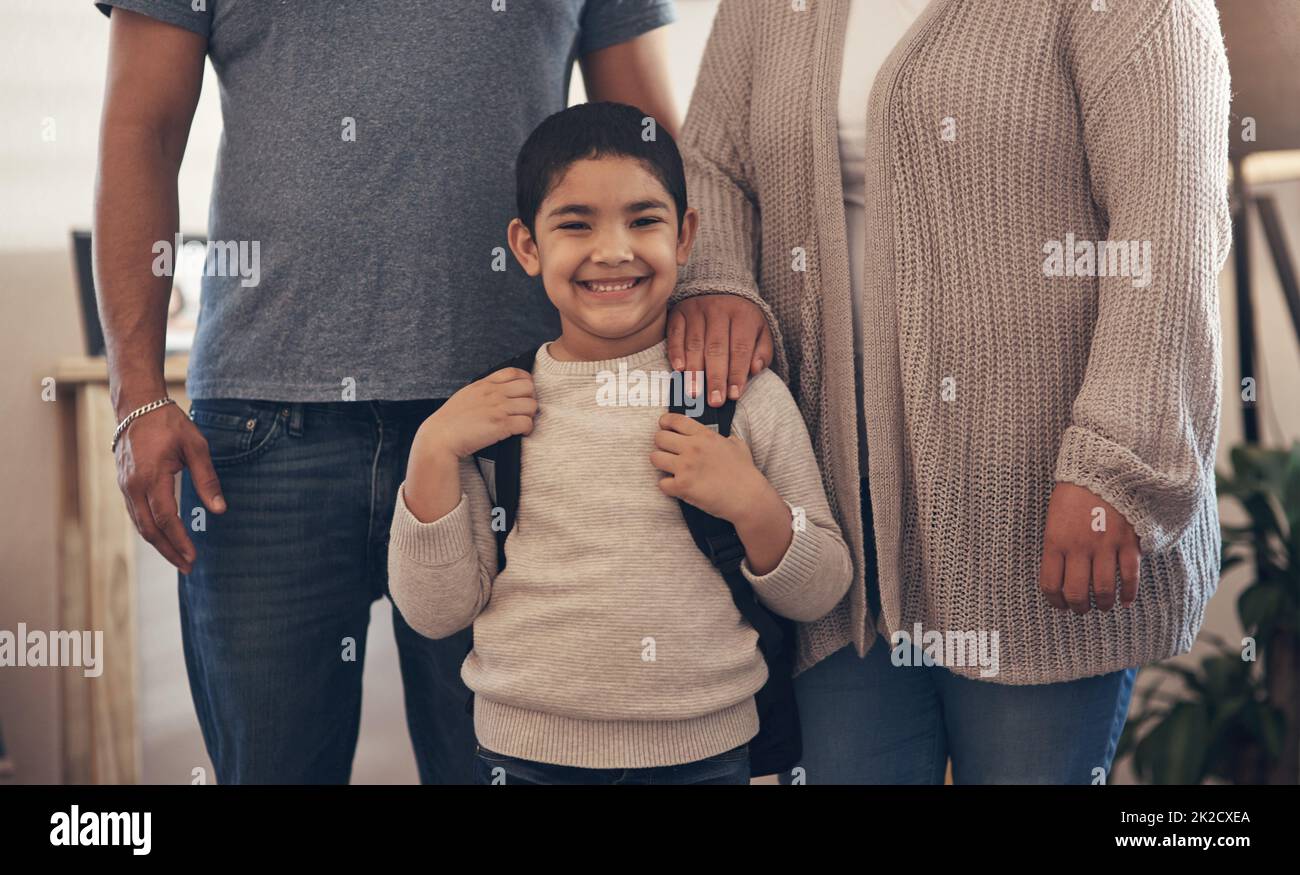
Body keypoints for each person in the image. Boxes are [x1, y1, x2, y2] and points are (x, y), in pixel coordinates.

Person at [92, 0, 786, 784]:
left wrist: (714, 284)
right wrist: (138, 395)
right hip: (264, 426)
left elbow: (646, 137)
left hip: (513, 427)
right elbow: (139, 134)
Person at [677, 0, 1232, 783]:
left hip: (1037, 519)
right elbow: (712, 165)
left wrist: (1117, 461)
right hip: (834, 537)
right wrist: (720, 280)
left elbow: (1168, 225)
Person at [387, 101, 853, 785]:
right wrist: (431, 449)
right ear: (526, 246)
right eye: (576, 225)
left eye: (644, 220)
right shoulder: (489, 411)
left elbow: (821, 590)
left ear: (686, 235)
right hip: (524, 758)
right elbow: (436, 613)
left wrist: (751, 502)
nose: (613, 250)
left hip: (709, 754)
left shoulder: (737, 396)